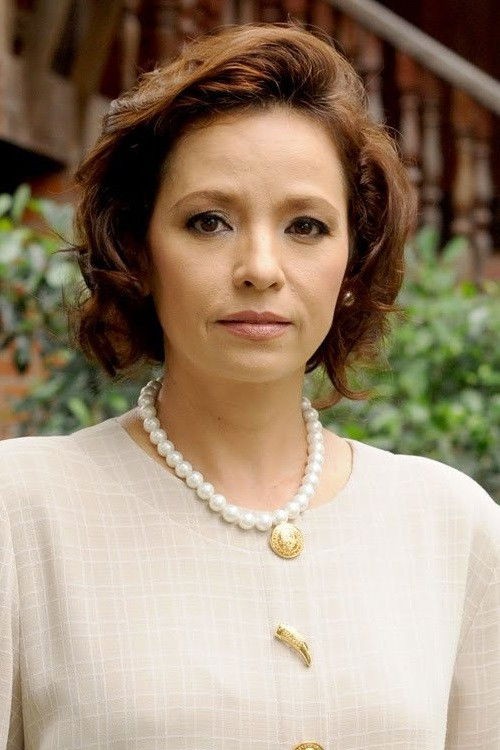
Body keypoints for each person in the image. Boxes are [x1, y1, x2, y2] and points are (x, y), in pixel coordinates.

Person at [0, 20, 498, 750]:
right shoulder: (22, 512)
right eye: (209, 222)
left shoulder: (452, 527)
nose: (260, 268)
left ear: (353, 262)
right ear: (139, 250)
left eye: (306, 226)